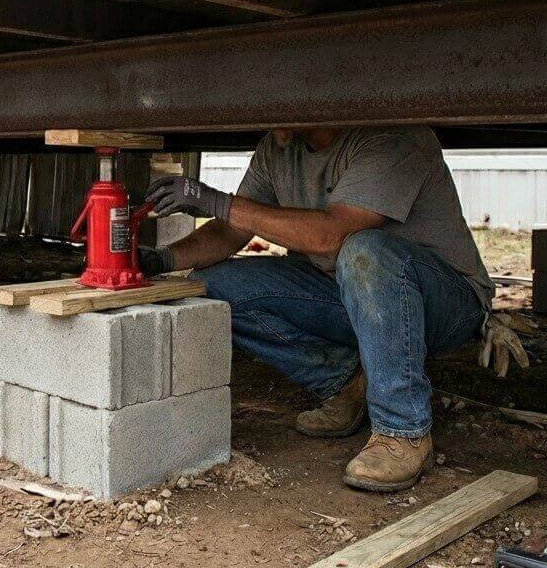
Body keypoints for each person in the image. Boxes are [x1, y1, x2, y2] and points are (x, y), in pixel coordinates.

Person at [142, 126, 492, 492]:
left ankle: (402, 431)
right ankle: (345, 383)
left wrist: (217, 201)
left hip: (445, 305)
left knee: (365, 249)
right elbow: (231, 232)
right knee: (214, 284)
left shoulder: (396, 137)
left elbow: (331, 235)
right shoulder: (278, 147)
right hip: (352, 292)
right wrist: (161, 259)